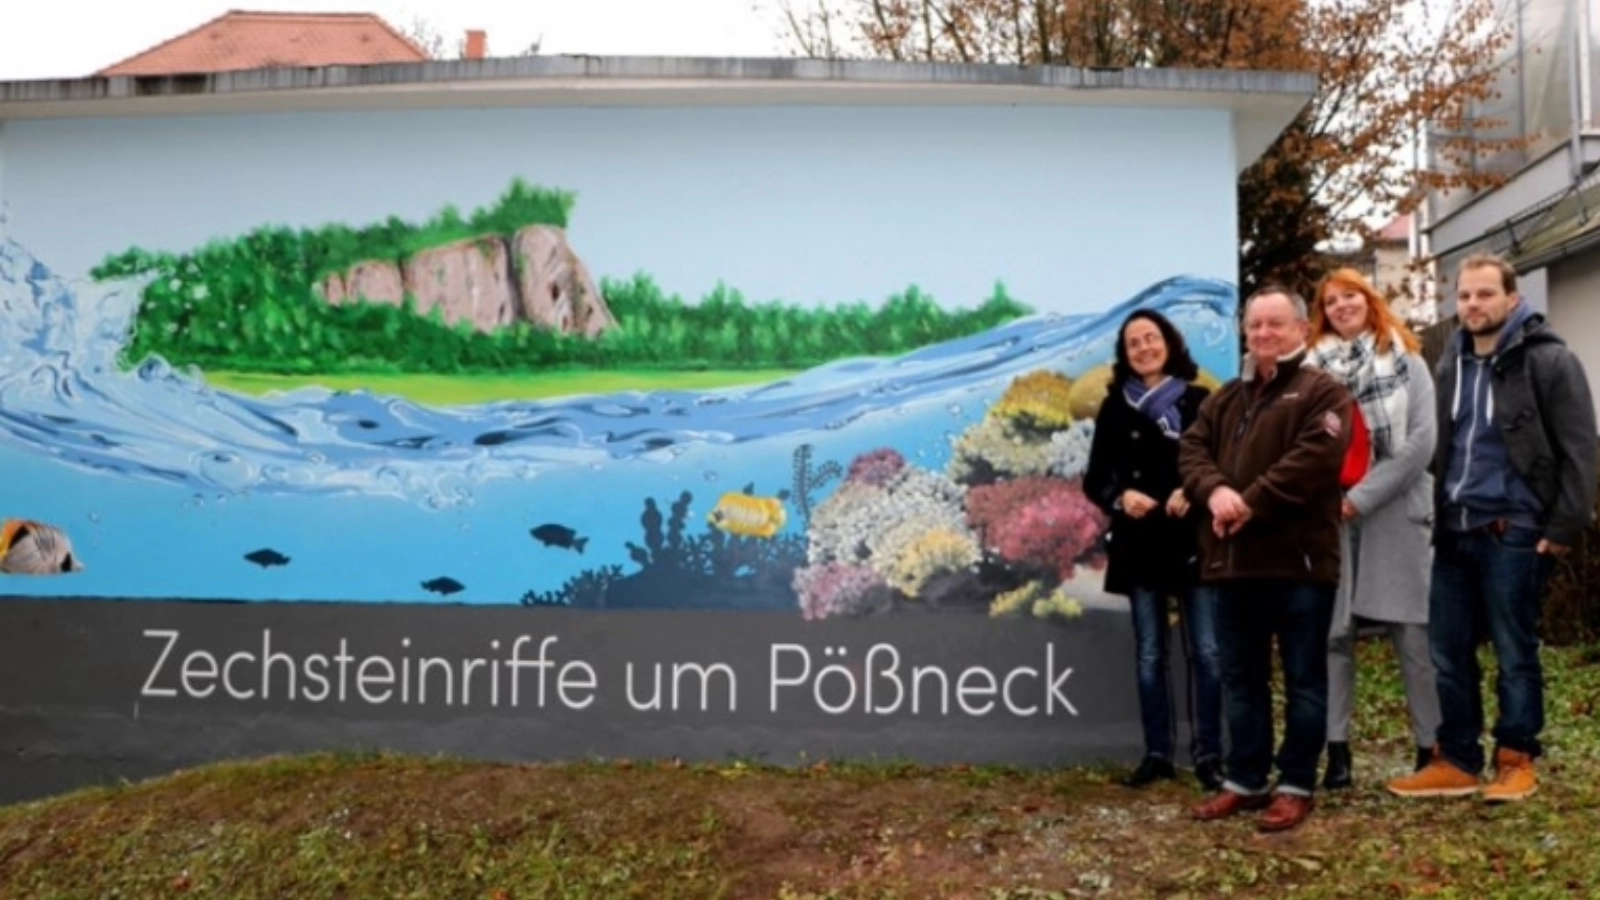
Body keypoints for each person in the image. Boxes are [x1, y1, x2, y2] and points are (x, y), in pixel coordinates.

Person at [1388, 252, 1597, 803]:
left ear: (1511, 297)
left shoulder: (1550, 361)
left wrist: (1564, 526)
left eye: (1485, 294)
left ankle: (1516, 758)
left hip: (1514, 531)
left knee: (1514, 651)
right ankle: (1458, 760)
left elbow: (1581, 449)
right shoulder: (1449, 363)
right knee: (1448, 653)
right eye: (1464, 296)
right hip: (1454, 531)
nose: (1473, 304)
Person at [1178, 285, 1353, 833]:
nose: (1263, 334)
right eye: (1254, 325)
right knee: (1241, 679)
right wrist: (1215, 492)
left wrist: (1248, 502)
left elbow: (1313, 461)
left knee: (1304, 679)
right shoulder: (1226, 398)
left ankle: (1296, 784)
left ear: (1301, 329)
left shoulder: (1325, 393)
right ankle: (1246, 779)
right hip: (1232, 565)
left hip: (1299, 566)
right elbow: (1192, 451)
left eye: (1275, 324)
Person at [1304, 268, 1441, 789]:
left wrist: (1359, 498)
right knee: (1334, 636)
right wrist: (1332, 500)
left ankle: (1431, 746)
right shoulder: (1312, 370)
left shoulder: (1408, 361)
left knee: (1413, 634)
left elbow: (1421, 444)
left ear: (1369, 299)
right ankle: (1337, 752)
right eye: (1330, 301)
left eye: (1350, 296)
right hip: (1331, 515)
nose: (1341, 306)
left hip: (1396, 508)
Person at [1084, 310, 1224, 792]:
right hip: (1139, 541)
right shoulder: (1113, 407)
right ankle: (1157, 753)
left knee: (1207, 652)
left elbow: (1221, 463)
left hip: (1192, 538)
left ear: (1169, 342)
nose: (1144, 347)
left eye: (1152, 338)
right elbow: (1095, 477)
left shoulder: (1200, 401)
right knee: (1149, 653)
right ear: (1124, 354)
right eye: (1134, 342)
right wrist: (1120, 496)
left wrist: (1196, 489)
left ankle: (1209, 755)